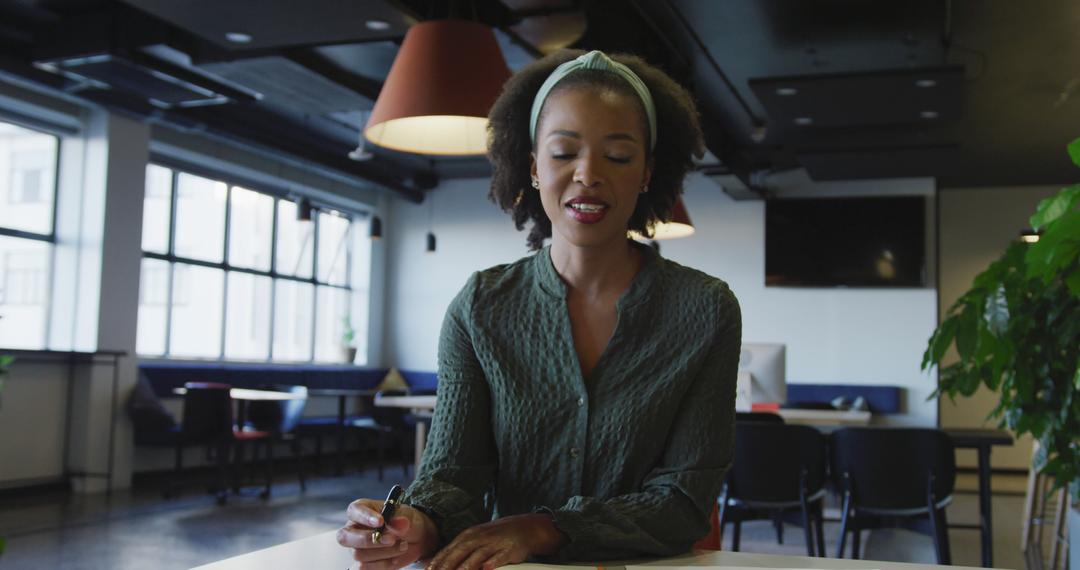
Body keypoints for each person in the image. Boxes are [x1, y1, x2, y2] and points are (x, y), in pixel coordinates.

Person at [338, 49, 741, 570]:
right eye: (563, 153)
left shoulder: (706, 310)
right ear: (532, 166)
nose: (588, 174)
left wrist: (541, 528)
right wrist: (416, 524)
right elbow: (452, 474)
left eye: (617, 156)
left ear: (646, 173)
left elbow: (684, 502)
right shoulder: (481, 307)